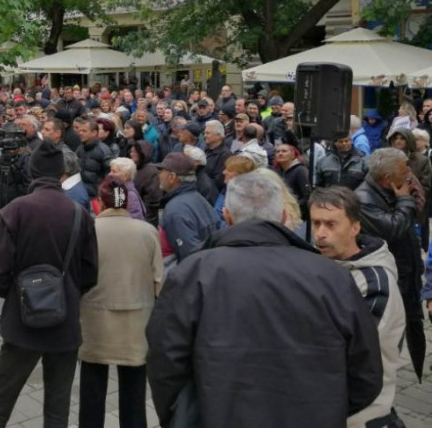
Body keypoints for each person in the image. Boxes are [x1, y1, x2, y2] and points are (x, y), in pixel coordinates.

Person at [146, 171, 383, 428]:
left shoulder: (192, 274)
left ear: (227, 216)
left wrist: (185, 416)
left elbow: (165, 362)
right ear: (283, 217)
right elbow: (366, 371)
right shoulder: (332, 277)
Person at [0, 140, 99, 428]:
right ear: (62, 174)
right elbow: (90, 274)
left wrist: (18, 294)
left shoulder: (16, 210)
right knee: (57, 410)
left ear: (32, 173)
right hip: (65, 321)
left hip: (22, 322)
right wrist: (66, 292)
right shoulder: (79, 213)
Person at [310, 186, 407, 428]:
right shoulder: (321, 265)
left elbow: (353, 354)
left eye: (331, 224)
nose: (320, 234)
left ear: (355, 227)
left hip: (361, 414)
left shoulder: (375, 284)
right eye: (315, 223)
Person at [79, 176, 162, 428]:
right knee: (134, 391)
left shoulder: (89, 230)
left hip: (95, 320)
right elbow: (158, 281)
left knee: (92, 390)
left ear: (100, 202)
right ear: (127, 202)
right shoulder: (147, 232)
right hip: (136, 321)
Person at [355, 148, 426, 385]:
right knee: (390, 336)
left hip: (406, 273)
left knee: (410, 329)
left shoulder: (388, 190)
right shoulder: (365, 199)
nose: (408, 175)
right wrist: (405, 200)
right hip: (392, 279)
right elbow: (393, 229)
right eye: (404, 171)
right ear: (387, 179)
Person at [155, 153, 220, 264]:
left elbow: (190, 258)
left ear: (172, 177)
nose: (158, 174)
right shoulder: (198, 198)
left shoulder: (176, 210)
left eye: (161, 170)